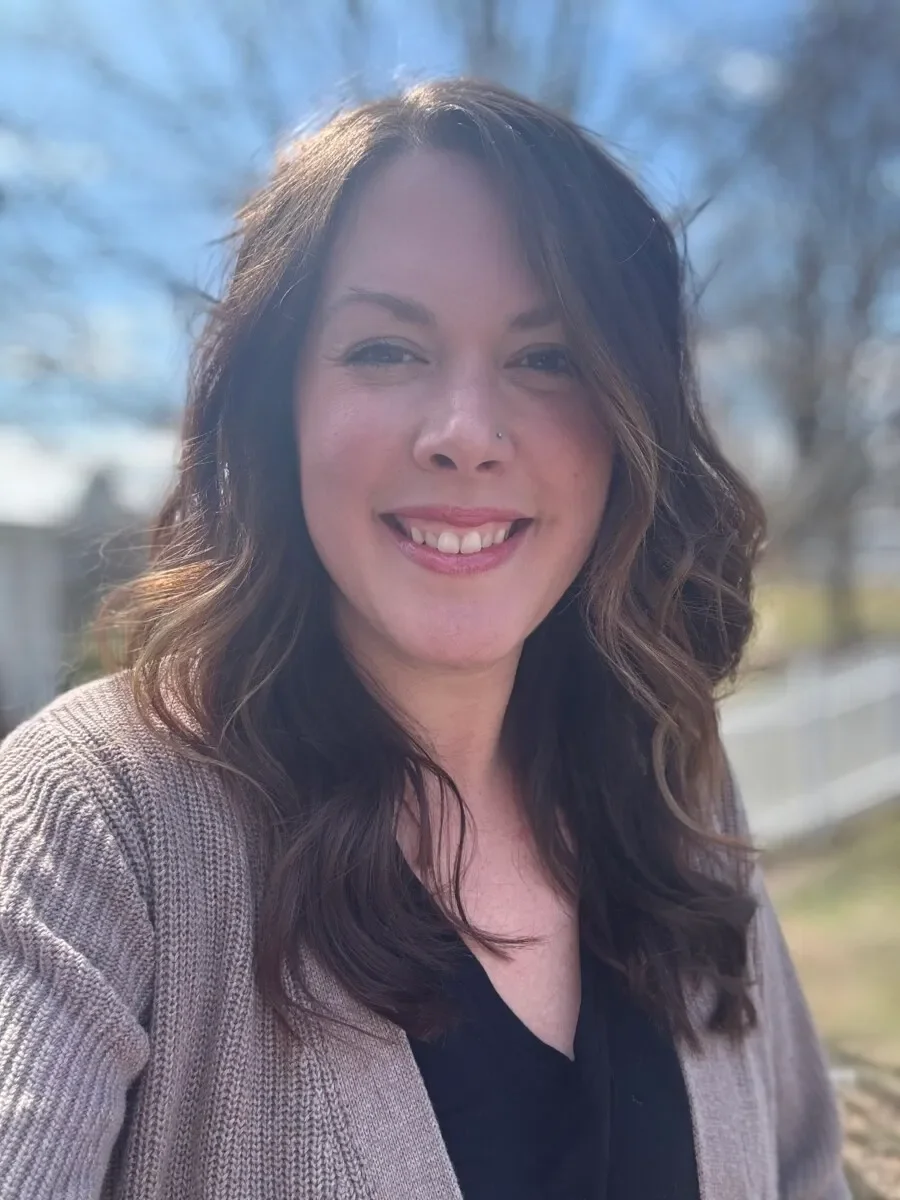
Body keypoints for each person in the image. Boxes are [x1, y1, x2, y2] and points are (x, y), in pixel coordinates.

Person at [0, 79, 848, 1200]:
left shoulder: (673, 785)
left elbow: (802, 1171)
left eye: (548, 358)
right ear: (279, 406)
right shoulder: (98, 822)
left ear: (632, 424)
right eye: (387, 350)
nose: (465, 434)